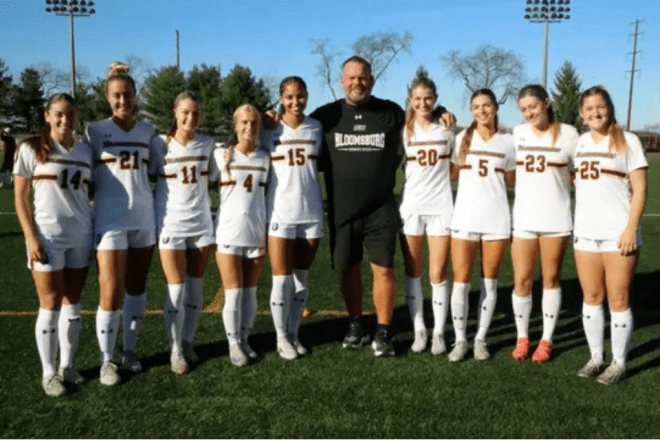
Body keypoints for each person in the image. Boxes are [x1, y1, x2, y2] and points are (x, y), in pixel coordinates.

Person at [310, 56, 454, 356]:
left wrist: (440, 110)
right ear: (341, 81)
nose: (356, 82)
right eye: (350, 77)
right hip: (342, 208)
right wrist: (273, 116)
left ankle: (385, 331)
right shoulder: (326, 115)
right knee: (348, 270)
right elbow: (294, 125)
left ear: (371, 80)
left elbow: (420, 114)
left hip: (381, 208)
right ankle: (355, 325)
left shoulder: (389, 112)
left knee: (384, 269)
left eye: (362, 77)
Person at [84, 62, 158, 385]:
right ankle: (106, 361)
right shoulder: (94, 131)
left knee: (136, 290)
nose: (122, 100)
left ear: (135, 95)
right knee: (111, 293)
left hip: (143, 217)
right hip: (110, 219)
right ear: (106, 96)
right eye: (116, 95)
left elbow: (161, 168)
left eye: (127, 94)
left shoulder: (148, 131)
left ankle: (129, 351)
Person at [13, 94, 93, 396]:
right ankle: (49, 372)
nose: (64, 120)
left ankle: (67, 366)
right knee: (49, 304)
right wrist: (30, 237)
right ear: (47, 115)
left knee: (73, 302)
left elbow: (92, 189)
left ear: (77, 116)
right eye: (58, 114)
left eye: (70, 115)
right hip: (47, 238)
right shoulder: (31, 148)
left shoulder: (85, 151)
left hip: (81, 236)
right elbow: (20, 197)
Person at [573, 86, 647, 385]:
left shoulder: (628, 140)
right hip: (586, 232)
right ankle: (596, 357)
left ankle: (618, 362)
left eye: (600, 106)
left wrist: (630, 228)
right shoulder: (579, 142)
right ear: (581, 113)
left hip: (618, 233)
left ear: (610, 107)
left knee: (618, 298)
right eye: (589, 108)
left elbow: (640, 188)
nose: (595, 112)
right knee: (591, 297)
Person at [510, 84, 579, 363]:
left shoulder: (569, 134)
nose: (529, 113)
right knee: (522, 279)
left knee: (550, 279)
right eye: (524, 109)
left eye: (533, 107)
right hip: (525, 217)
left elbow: (583, 168)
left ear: (547, 103)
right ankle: (522, 336)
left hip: (555, 217)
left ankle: (547, 339)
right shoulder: (517, 134)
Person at [448, 88, 515, 362]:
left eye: (486, 105)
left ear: (495, 107)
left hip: (497, 220)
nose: (481, 111)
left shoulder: (509, 142)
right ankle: (460, 340)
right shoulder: (461, 138)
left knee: (489, 282)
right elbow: (449, 175)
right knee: (461, 283)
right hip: (464, 218)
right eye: (476, 107)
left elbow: (513, 181)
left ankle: (480, 339)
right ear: (471, 110)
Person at [262, 77, 324, 360]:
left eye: (299, 96)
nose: (294, 102)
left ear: (307, 97)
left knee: (301, 280)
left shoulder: (316, 127)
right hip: (280, 213)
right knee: (281, 280)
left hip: (311, 213)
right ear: (280, 98)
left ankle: (294, 333)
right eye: (289, 97)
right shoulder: (269, 128)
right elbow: (240, 138)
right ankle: (280, 338)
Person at [154, 92, 215, 375]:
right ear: (175, 112)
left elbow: (216, 179)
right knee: (176, 289)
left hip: (202, 225)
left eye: (196, 113)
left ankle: (188, 341)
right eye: (185, 112)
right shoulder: (159, 145)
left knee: (195, 287)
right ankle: (175, 348)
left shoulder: (209, 144)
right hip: (171, 225)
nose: (190, 118)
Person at [398, 78, 454, 354]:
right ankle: (420, 329)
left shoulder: (447, 130)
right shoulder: (404, 131)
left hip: (441, 207)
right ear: (410, 100)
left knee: (438, 273)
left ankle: (440, 333)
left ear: (435, 99)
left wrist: (444, 112)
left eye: (428, 98)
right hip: (411, 208)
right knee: (413, 271)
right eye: (417, 99)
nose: (423, 104)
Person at [213, 104, 270, 367]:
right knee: (233, 293)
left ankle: (245, 339)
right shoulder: (220, 155)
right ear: (235, 125)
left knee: (250, 293)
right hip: (228, 232)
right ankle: (233, 343)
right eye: (244, 122)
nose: (249, 127)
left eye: (254, 122)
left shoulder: (265, 158)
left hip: (256, 232)